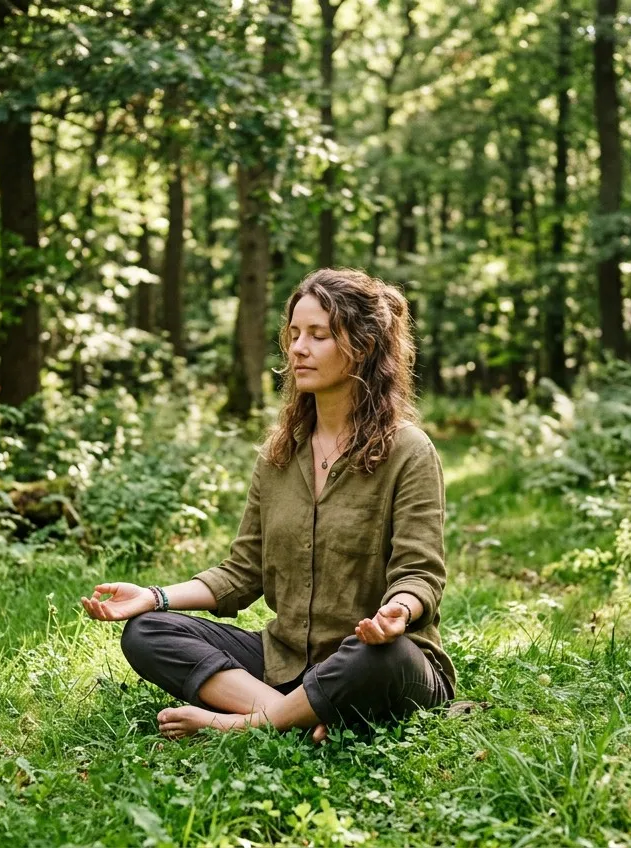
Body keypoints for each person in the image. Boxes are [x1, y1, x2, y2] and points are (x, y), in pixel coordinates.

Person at [80, 267, 455, 741]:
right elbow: (242, 573)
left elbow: (420, 573)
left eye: (318, 336)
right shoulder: (280, 454)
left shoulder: (409, 451)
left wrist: (398, 611)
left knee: (379, 656)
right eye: (294, 334)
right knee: (146, 632)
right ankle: (298, 714)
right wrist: (154, 597)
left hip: (376, 662)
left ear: (362, 347)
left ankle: (247, 723)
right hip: (286, 663)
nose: (298, 348)